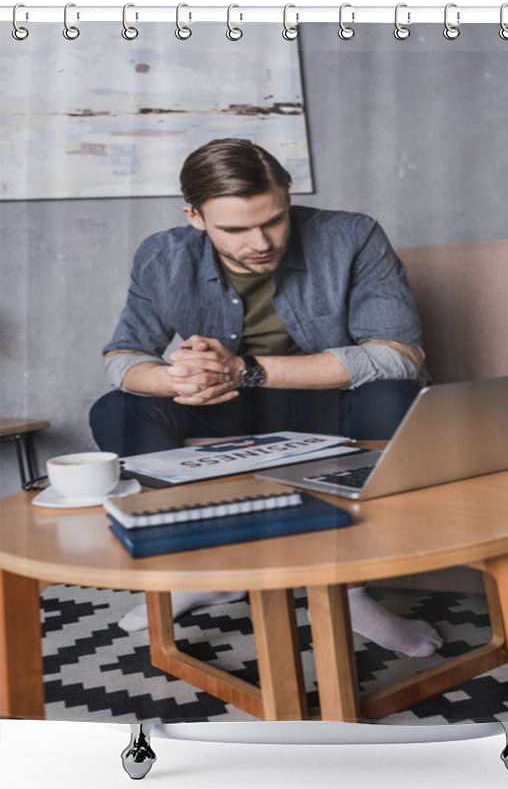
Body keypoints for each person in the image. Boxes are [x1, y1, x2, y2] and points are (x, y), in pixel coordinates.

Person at [90, 138, 442, 658]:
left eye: (274, 220)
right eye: (235, 229)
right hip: (227, 410)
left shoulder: (352, 235)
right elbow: (121, 357)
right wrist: (173, 380)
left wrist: (245, 370)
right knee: (116, 409)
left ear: (287, 195)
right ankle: (207, 569)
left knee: (394, 395)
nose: (261, 241)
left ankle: (350, 590)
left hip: (329, 402)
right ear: (194, 216)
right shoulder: (161, 255)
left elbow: (399, 355)